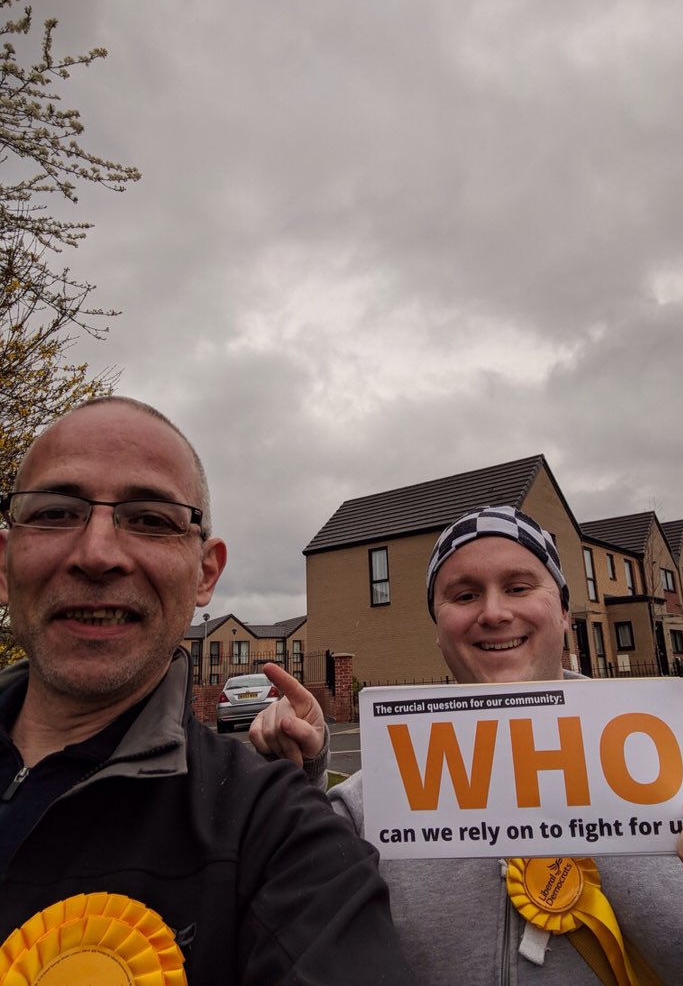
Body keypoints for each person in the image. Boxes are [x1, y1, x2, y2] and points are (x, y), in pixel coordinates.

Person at [252, 504, 683, 986]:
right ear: (438, 629)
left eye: (519, 587)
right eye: (464, 595)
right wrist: (302, 776)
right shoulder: (374, 803)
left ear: (565, 613)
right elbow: (280, 929)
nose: (494, 613)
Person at [0, 397, 415, 985]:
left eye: (149, 519)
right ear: (4, 561)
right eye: (55, 512)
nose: (96, 554)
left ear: (206, 574)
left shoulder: (278, 836)